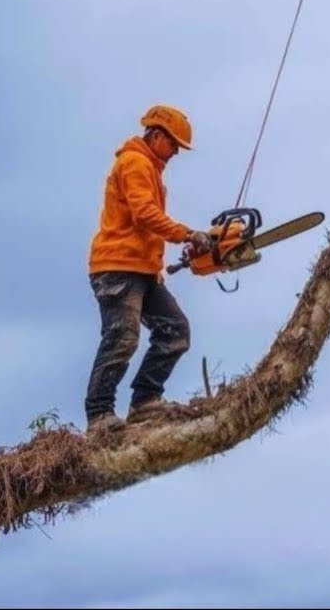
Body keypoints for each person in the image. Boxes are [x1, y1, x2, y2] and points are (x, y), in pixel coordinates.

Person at [84, 103, 214, 434]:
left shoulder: (151, 171)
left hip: (143, 269)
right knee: (122, 337)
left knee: (175, 330)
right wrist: (187, 233)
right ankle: (99, 414)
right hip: (117, 266)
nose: (176, 153)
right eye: (174, 144)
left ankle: (144, 401)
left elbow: (147, 225)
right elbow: (144, 214)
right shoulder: (135, 163)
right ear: (157, 135)